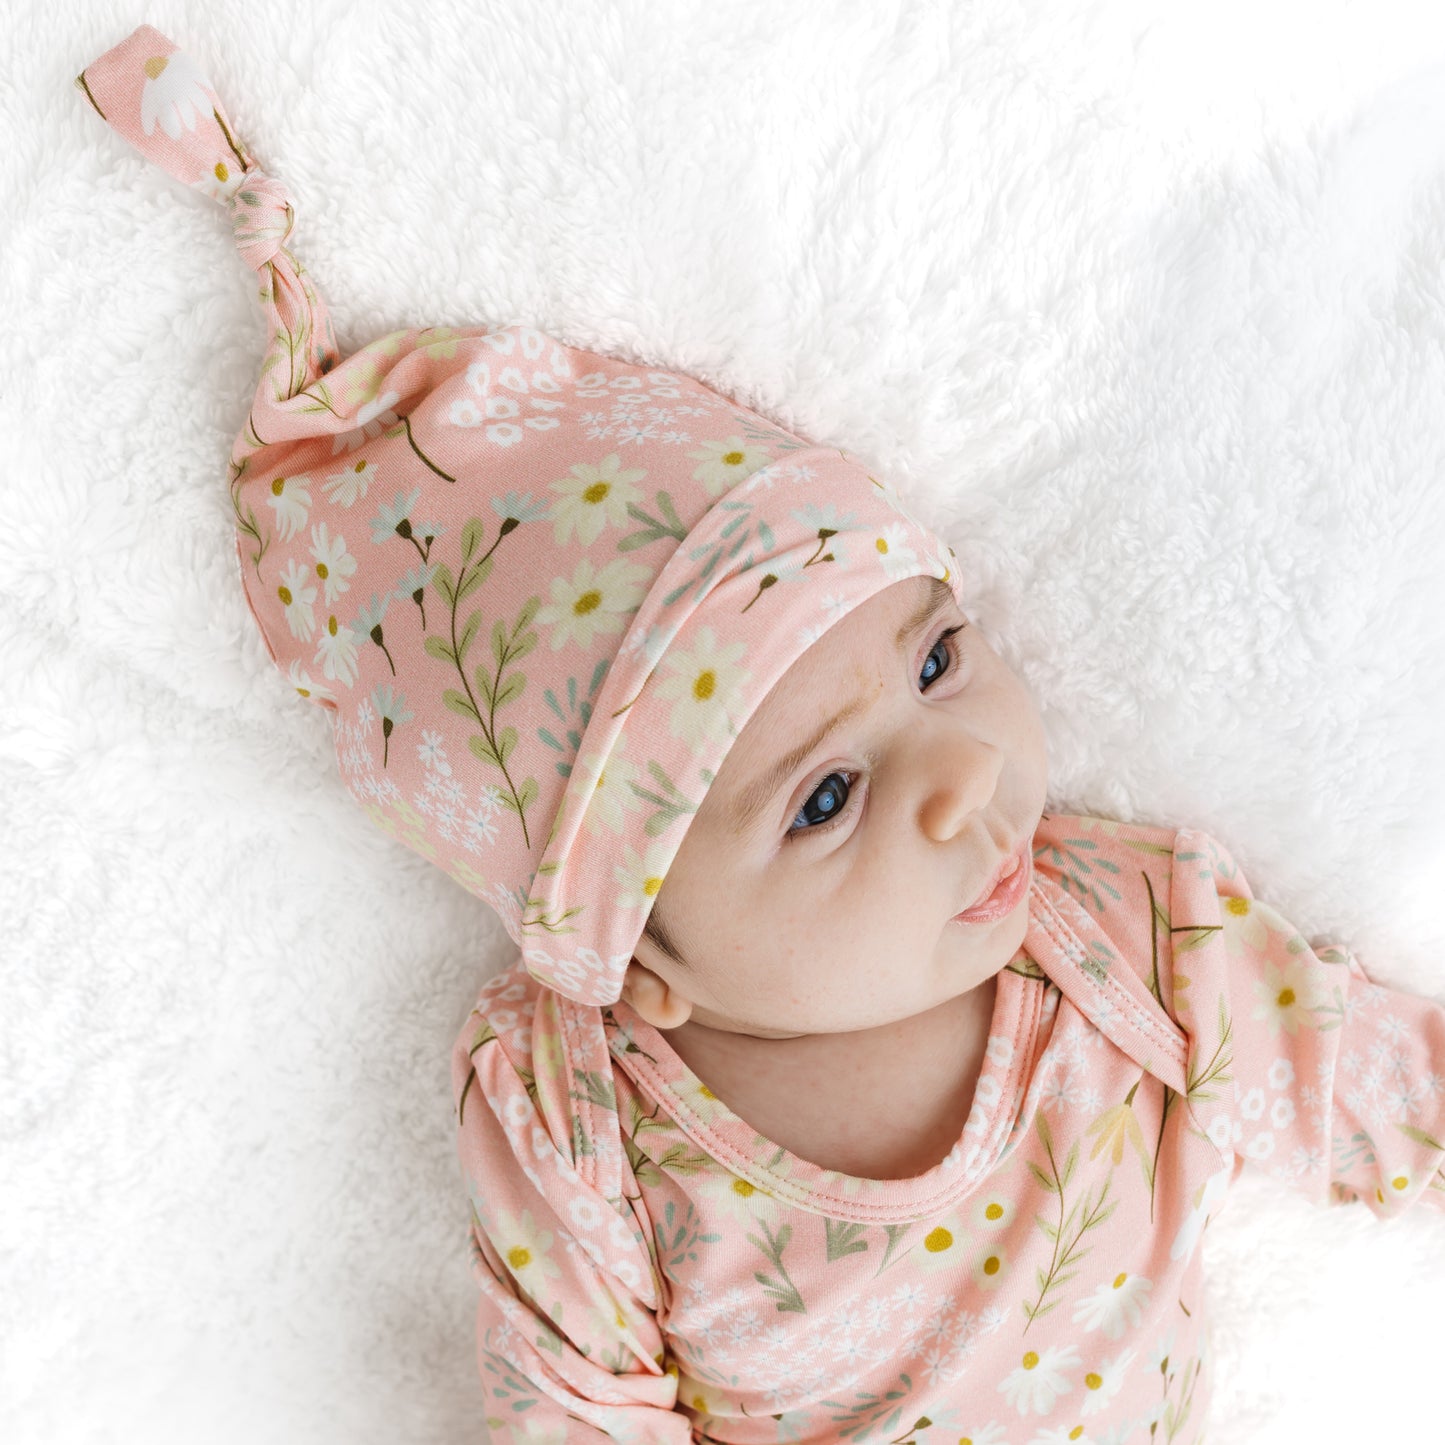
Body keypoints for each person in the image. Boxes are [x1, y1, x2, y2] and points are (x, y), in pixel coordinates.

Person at [77, 25, 1445, 1445]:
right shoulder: (579, 1114)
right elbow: (574, 1405)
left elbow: (1367, 1077)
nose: (961, 774)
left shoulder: (1125, 932)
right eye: (827, 797)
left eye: (934, 656)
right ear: (636, 961)